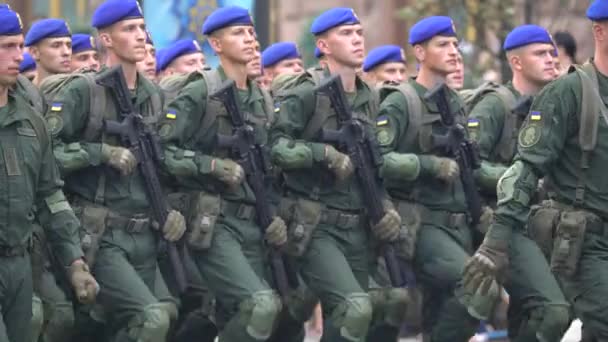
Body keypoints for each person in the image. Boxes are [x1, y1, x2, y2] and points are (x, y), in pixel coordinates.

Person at [45, 1, 186, 341]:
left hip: (146, 233)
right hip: (101, 235)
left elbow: (164, 160)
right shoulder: (85, 92)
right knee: (150, 319)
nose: (141, 36)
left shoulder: (154, 96)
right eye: (129, 29)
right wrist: (99, 153)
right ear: (106, 40)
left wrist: (174, 208)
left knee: (165, 311)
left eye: (142, 28)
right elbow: (46, 156)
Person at [269, 7, 407, 341]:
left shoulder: (369, 98)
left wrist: (386, 206)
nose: (357, 40)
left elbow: (373, 167)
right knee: (354, 307)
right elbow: (275, 147)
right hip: (316, 226)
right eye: (346, 34)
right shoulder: (304, 92)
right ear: (324, 46)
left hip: (359, 226)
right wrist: (322, 154)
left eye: (359, 32)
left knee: (356, 318)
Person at [157, 6, 292, 341]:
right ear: (216, 45)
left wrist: (275, 215)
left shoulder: (260, 97)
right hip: (214, 223)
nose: (248, 39)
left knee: (264, 310)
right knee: (259, 305)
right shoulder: (200, 90)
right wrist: (212, 166)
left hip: (254, 221)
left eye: (250, 33)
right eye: (237, 34)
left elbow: (270, 166)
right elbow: (164, 152)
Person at [374, 16, 484, 341]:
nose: (453, 51)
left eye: (454, 44)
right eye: (443, 45)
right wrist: (427, 165)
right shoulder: (401, 101)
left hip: (459, 224)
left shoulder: (456, 103)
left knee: (440, 309)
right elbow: (377, 158)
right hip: (422, 225)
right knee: (477, 284)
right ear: (419, 53)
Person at [465, 25, 570, 341]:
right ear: (516, 62)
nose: (551, 59)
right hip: (505, 224)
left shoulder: (554, 107)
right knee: (553, 310)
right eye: (540, 53)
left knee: (531, 312)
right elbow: (469, 168)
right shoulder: (496, 105)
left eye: (552, 53)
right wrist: (519, 180)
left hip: (548, 225)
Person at [0, 7, 98, 342]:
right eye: (6, 47)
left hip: (19, 264)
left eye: (19, 45)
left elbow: (50, 194)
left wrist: (74, 262)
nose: (18, 56)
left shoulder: (31, 120)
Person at [24, 18, 72, 86]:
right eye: (56, 46)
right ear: (34, 52)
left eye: (69, 46)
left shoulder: (80, 94)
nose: (66, 52)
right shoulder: (25, 94)